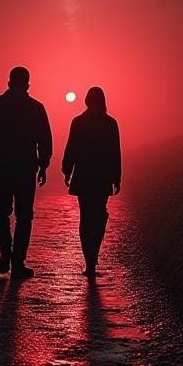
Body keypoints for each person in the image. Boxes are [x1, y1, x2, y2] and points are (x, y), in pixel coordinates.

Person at [0, 66, 52, 279]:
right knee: (24, 215)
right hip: (25, 167)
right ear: (27, 83)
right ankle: (18, 261)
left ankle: (4, 253)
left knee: (1, 212)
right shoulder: (36, 108)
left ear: (9, 81)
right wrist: (43, 164)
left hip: (1, 166)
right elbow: (45, 139)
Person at [62, 86, 121, 278]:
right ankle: (93, 254)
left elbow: (71, 147)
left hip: (84, 175)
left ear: (87, 101)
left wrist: (67, 169)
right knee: (99, 215)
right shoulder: (110, 123)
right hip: (102, 177)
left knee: (86, 217)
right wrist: (116, 177)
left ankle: (89, 259)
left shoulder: (78, 122)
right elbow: (115, 152)